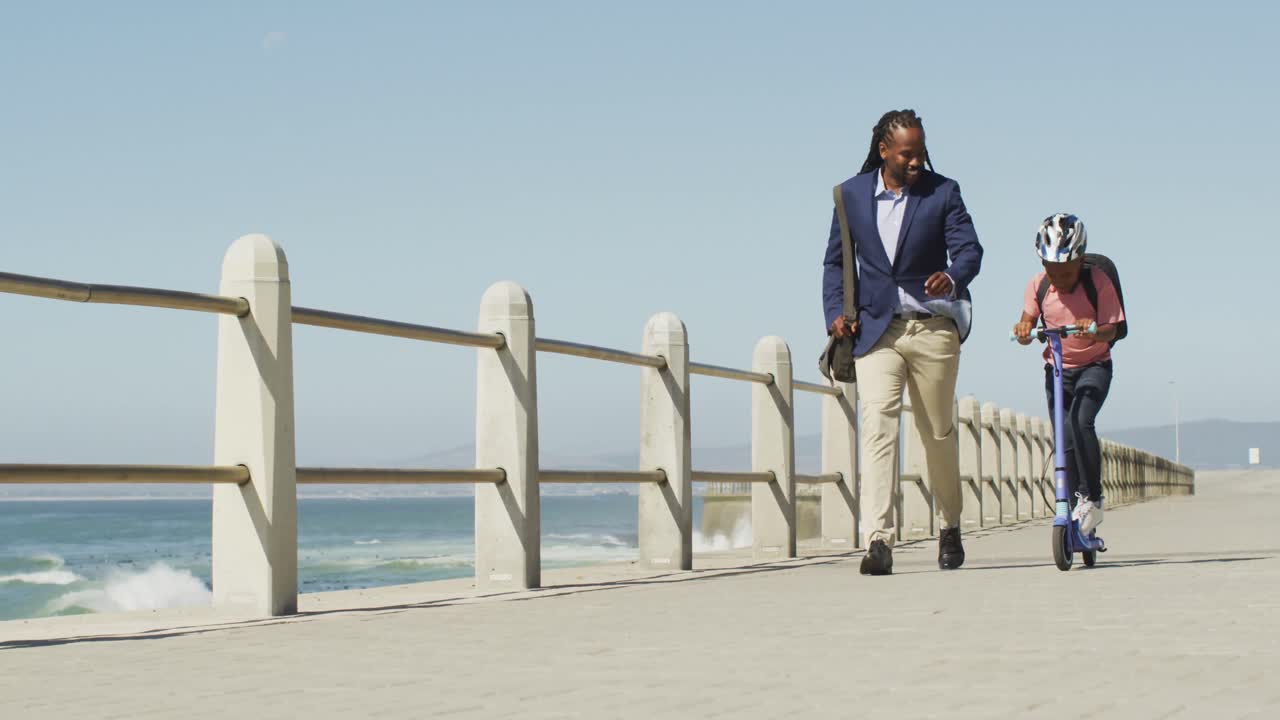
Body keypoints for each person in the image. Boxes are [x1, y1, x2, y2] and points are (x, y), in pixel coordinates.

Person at [822, 109, 983, 575]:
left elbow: (970, 249)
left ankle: (949, 524)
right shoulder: (850, 195)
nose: (916, 161)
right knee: (878, 427)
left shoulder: (943, 192)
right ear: (884, 151)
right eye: (907, 153)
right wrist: (835, 313)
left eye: (921, 152)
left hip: (932, 329)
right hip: (877, 330)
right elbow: (835, 262)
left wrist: (952, 276)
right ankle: (878, 540)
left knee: (937, 433)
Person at [1013, 213, 1125, 534]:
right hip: (1058, 370)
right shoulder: (1039, 286)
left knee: (1080, 421)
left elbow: (1114, 329)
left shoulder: (1098, 282)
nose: (1060, 279)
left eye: (1067, 271)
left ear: (1080, 260)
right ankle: (1075, 500)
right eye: (1053, 271)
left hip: (1095, 366)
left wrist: (1094, 330)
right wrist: (1023, 329)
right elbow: (1027, 323)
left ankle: (1093, 498)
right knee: (1063, 435)